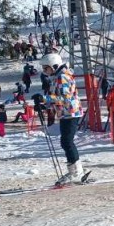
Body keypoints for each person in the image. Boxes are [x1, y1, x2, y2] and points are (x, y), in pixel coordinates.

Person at [41, 52, 87, 184]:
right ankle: (74, 170)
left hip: (71, 112)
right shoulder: (57, 77)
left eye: (46, 68)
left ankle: (77, 172)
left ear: (54, 66)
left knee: (67, 141)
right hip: (65, 113)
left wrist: (45, 98)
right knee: (65, 141)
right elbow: (57, 96)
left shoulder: (62, 77)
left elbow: (65, 98)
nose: (45, 71)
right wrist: (44, 104)